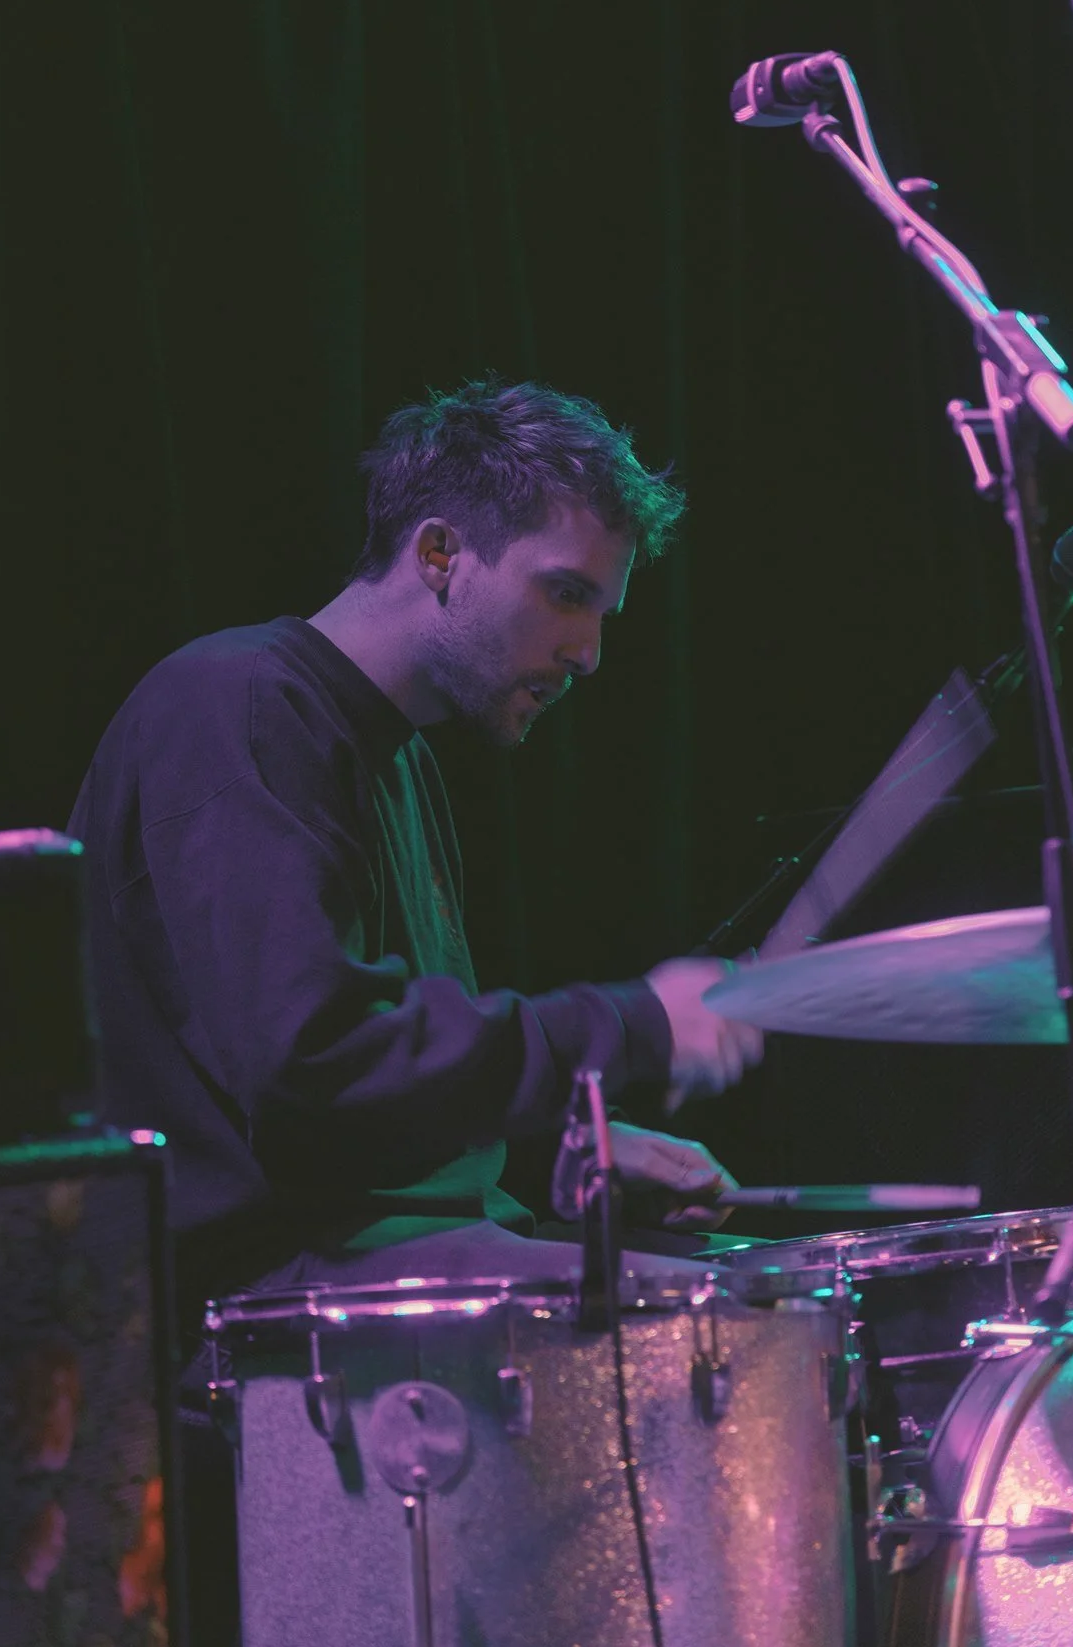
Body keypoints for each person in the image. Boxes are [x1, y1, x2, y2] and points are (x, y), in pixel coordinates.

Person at [68, 378, 764, 1337]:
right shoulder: (237, 708)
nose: (589, 653)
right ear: (439, 553)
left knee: (768, 1279)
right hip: (261, 1303)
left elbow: (365, 1104)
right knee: (745, 1319)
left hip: (375, 1257)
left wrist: (551, 1155)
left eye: (603, 612)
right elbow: (316, 1067)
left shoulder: (400, 760)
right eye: (567, 594)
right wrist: (630, 1023)